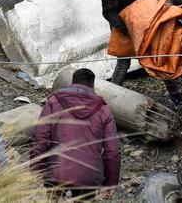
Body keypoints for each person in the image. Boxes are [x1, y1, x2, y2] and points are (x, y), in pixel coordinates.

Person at [100, 0, 182, 109]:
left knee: (159, 57)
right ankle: (110, 99)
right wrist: (126, 29)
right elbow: (108, 12)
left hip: (145, 20)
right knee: (123, 62)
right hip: (122, 25)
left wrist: (155, 8)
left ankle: (175, 96)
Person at [31, 68, 120, 200]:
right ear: (93, 86)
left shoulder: (54, 102)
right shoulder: (103, 110)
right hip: (88, 177)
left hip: (56, 172)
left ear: (72, 82)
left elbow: (40, 137)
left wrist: (35, 170)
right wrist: (110, 183)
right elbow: (112, 151)